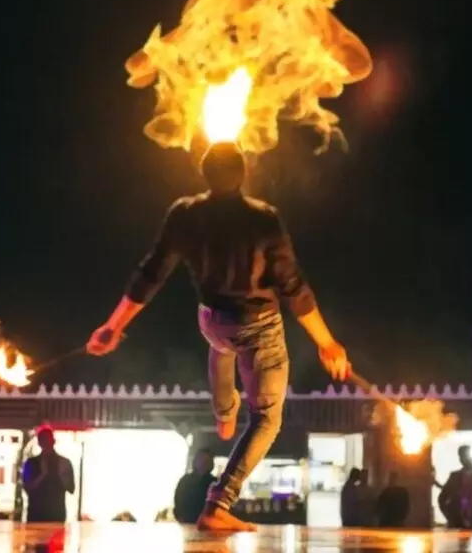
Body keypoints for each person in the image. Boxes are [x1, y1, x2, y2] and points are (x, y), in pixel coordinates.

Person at [85, 142, 350, 532]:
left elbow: (151, 274)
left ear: (204, 173)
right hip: (256, 327)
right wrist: (327, 343)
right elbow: (294, 288)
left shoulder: (185, 213)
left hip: (212, 320)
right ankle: (219, 503)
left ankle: (225, 412)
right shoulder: (264, 219)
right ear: (243, 174)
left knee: (222, 343)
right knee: (265, 419)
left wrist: (114, 325)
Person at [22, 426, 76, 523]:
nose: (46, 444)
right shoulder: (32, 463)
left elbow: (71, 489)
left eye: (48, 441)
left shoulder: (63, 462)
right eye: (43, 441)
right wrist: (42, 474)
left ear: (53, 441)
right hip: (36, 513)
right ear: (39, 443)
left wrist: (61, 475)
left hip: (56, 513)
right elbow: (28, 489)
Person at [174, 448, 216, 524]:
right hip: (187, 521)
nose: (203, 462)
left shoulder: (214, 482)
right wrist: (179, 516)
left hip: (206, 522)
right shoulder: (185, 480)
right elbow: (178, 498)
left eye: (206, 460)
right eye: (201, 459)